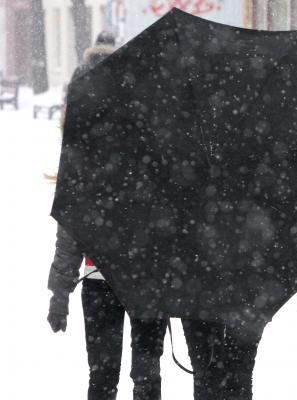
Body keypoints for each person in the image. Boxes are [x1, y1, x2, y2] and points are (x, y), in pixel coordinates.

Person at [47, 30, 168, 400]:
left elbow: (71, 226)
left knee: (108, 376)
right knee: (140, 376)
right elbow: (72, 223)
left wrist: (60, 290)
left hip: (109, 277)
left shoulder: (90, 151)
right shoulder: (155, 144)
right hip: (141, 280)